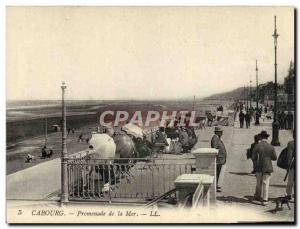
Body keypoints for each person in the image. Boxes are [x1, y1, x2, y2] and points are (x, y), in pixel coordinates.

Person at [252, 130, 277, 205]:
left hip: (259, 166)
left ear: (260, 137)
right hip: (268, 166)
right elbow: (274, 158)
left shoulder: (257, 146)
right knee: (266, 183)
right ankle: (265, 199)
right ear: (267, 138)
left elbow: (253, 157)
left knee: (258, 182)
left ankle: (258, 195)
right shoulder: (271, 146)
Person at [211, 126, 227, 192]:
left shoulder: (217, 138)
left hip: (220, 159)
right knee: (216, 173)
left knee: (218, 173)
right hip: (218, 160)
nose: (222, 133)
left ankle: (216, 185)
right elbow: (215, 149)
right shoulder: (215, 138)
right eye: (221, 132)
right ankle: (215, 186)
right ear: (217, 132)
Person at [285, 131, 295, 200]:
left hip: (293, 165)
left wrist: (288, 166)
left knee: (290, 181)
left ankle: (289, 194)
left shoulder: (291, 143)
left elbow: (289, 156)